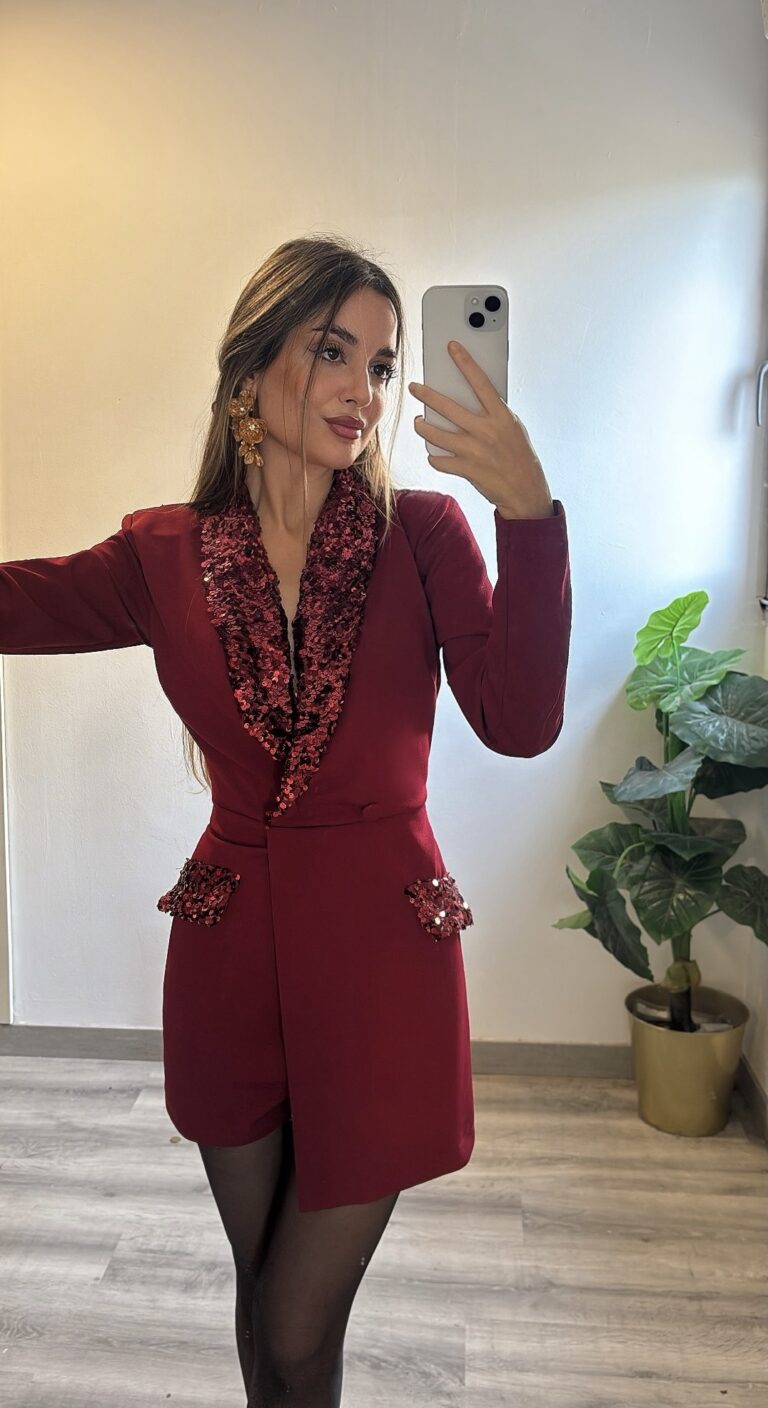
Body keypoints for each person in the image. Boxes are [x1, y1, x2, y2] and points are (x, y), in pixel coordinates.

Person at [0, 234, 572, 1406]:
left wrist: (529, 514)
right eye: (331, 352)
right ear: (251, 368)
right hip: (230, 959)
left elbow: (519, 722)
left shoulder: (428, 537)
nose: (364, 389)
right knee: (264, 1297)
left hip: (384, 963)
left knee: (300, 1324)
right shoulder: (161, 552)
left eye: (382, 363)